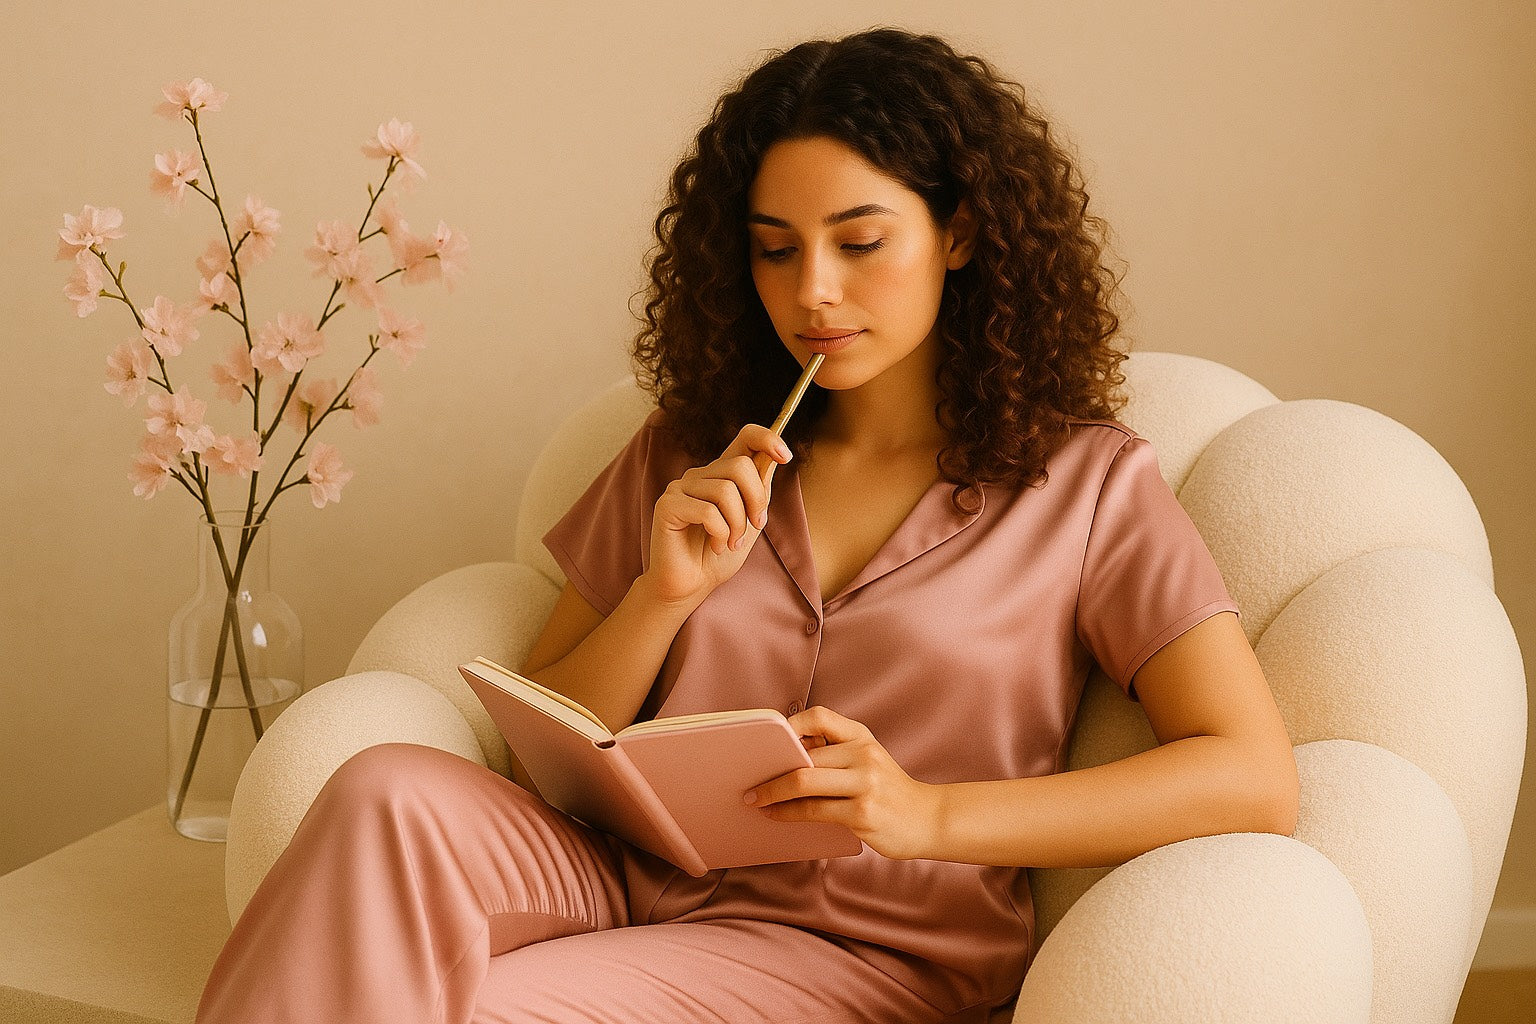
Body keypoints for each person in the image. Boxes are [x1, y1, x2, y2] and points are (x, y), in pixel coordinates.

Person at [195, 25, 1299, 1024]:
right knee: (384, 787)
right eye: (777, 248)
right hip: (618, 877)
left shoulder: (1087, 486)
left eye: (859, 243)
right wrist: (661, 596)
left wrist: (928, 815)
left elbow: (1250, 772)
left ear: (959, 233)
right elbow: (543, 757)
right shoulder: (692, 450)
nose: (813, 290)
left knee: (466, 1008)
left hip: (866, 950)